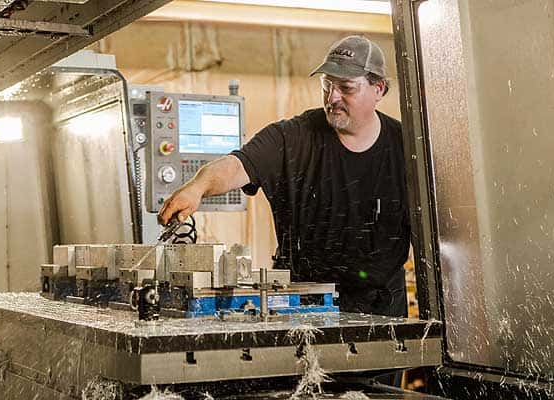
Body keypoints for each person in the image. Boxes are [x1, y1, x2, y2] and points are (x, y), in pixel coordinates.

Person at [158, 35, 409, 319]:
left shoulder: (406, 149)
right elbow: (237, 164)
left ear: (379, 89)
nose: (332, 97)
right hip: (304, 307)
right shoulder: (293, 137)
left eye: (345, 88)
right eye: (327, 85)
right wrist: (197, 187)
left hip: (383, 313)